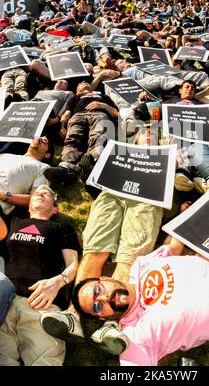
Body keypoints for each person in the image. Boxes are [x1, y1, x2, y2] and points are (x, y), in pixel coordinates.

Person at [70, 234, 209, 366]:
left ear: (106, 278)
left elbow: (172, 246)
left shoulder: (141, 266)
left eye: (98, 289)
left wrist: (189, 212)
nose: (104, 297)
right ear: (102, 317)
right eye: (97, 305)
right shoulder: (134, 336)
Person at [40, 127, 163, 355]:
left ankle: (111, 325)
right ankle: (72, 315)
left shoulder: (163, 161)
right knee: (95, 250)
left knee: (130, 257)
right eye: (142, 135)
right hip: (110, 194)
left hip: (147, 196)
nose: (146, 137)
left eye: (151, 137)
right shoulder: (120, 155)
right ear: (134, 141)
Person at [0, 185, 80, 366]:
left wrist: (59, 281)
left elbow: (73, 265)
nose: (40, 194)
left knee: (44, 361)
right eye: (35, 193)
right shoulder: (13, 221)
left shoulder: (61, 227)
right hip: (5, 300)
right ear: (28, 206)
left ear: (55, 209)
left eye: (46, 194)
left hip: (43, 304)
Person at [44, 81, 119, 185]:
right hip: (78, 115)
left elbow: (116, 113)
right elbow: (67, 113)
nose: (84, 82)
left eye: (85, 82)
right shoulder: (74, 98)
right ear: (77, 91)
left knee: (99, 137)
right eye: (80, 83)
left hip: (99, 114)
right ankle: (66, 167)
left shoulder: (103, 96)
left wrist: (103, 106)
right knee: (72, 137)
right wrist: (62, 125)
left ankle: (93, 163)